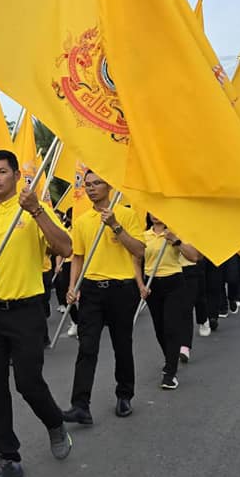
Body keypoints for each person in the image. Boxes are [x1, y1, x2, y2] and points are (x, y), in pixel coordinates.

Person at [0, 150, 74, 477]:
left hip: (26, 311)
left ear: (16, 176)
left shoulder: (34, 211)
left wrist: (36, 210)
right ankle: (7, 456)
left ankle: (54, 423)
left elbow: (64, 248)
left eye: (1, 172)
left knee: (27, 382)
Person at [62, 170, 145, 425]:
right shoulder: (83, 220)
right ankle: (80, 405)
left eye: (96, 183)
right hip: (92, 290)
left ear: (109, 185)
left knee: (122, 344)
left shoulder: (127, 214)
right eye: (87, 184)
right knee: (87, 347)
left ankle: (124, 395)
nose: (91, 188)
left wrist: (116, 226)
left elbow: (139, 250)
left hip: (122, 289)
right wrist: (72, 285)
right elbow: (77, 256)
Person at [141, 215, 200, 388]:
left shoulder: (176, 233)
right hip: (152, 284)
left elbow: (194, 257)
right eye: (152, 210)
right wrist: (140, 285)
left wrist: (176, 241)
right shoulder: (144, 235)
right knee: (159, 328)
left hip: (174, 282)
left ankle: (170, 372)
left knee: (171, 327)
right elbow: (136, 260)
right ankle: (170, 358)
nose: (155, 214)